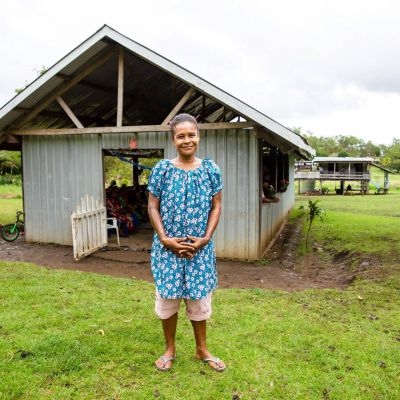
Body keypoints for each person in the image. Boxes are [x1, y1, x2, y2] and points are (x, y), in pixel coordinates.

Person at [147, 113, 226, 372]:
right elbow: (152, 205)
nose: (187, 140)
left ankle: (201, 349)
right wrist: (164, 239)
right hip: (167, 250)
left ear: (198, 136)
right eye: (181, 136)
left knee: (199, 301)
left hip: (199, 250)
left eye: (191, 134)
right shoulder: (162, 170)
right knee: (168, 300)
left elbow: (217, 205)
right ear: (173, 140)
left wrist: (206, 237)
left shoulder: (210, 169)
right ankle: (170, 349)